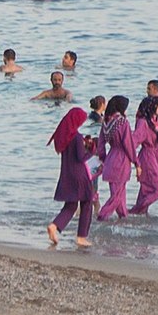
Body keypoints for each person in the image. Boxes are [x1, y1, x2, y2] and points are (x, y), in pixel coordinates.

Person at [45, 108, 94, 249]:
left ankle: (54, 226)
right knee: (87, 203)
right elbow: (81, 157)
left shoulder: (63, 135)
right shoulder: (77, 137)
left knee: (71, 205)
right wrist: (91, 150)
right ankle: (81, 237)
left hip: (67, 173)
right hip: (80, 175)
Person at [95, 96, 136, 223]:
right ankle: (102, 216)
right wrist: (136, 162)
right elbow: (128, 145)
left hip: (110, 159)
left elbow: (100, 146)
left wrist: (104, 159)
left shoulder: (105, 122)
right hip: (122, 160)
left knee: (119, 193)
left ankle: (123, 218)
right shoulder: (123, 122)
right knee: (117, 196)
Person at [128, 96, 158, 215]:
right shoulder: (143, 122)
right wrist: (132, 160)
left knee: (145, 190)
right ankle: (134, 211)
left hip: (156, 156)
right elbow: (134, 140)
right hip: (147, 157)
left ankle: (141, 215)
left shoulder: (155, 120)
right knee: (157, 191)